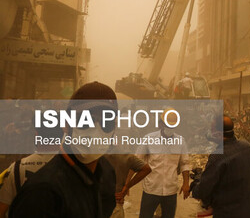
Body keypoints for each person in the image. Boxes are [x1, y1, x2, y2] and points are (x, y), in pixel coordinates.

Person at [9, 81, 118, 218]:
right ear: (66, 124)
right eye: (85, 120)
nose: (96, 130)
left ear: (114, 127)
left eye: (106, 122)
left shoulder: (107, 172)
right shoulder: (42, 192)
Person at [191, 116, 250, 218]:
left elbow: (202, 191)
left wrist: (196, 182)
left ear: (218, 133)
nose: (210, 133)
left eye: (212, 129)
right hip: (249, 213)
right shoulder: (248, 147)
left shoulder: (218, 156)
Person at [137, 108, 191, 218]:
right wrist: (127, 185)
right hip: (151, 189)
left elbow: (184, 163)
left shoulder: (181, 141)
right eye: (167, 125)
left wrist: (186, 183)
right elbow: (137, 160)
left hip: (170, 191)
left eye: (172, 126)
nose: (170, 128)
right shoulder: (149, 138)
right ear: (161, 124)